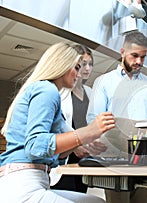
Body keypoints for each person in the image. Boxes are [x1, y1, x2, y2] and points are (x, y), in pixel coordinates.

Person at [0, 42, 115, 202]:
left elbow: (53, 151)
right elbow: (35, 145)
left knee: (96, 201)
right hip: (22, 185)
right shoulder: (47, 90)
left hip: (30, 181)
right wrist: (88, 131)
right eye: (76, 68)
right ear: (64, 65)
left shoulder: (44, 90)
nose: (79, 73)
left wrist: (79, 144)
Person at [86, 31, 147, 203]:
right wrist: (92, 140)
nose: (139, 61)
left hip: (144, 160)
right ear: (122, 52)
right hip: (115, 159)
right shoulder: (104, 82)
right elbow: (94, 118)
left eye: (143, 57)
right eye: (134, 56)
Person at [50, 44, 105, 193]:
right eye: (83, 64)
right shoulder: (61, 93)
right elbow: (58, 125)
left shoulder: (91, 92)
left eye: (90, 64)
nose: (87, 68)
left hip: (86, 156)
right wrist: (75, 144)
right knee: (66, 193)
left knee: (83, 193)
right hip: (68, 154)